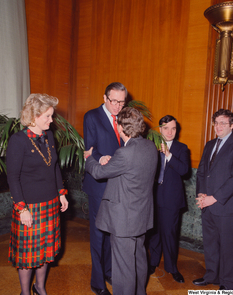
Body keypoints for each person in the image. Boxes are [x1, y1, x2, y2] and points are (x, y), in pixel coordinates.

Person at [85, 107, 158, 295]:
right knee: (139, 260)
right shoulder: (149, 147)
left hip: (124, 220)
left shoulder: (125, 153)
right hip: (141, 216)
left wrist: (89, 158)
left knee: (123, 269)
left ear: (120, 128)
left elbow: (99, 173)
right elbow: (130, 172)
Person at [6, 93, 69, 295]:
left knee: (46, 251)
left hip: (50, 204)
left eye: (52, 115)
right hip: (29, 207)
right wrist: (22, 208)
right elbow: (13, 178)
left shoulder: (48, 135)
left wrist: (61, 193)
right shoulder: (18, 141)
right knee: (27, 256)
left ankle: (39, 287)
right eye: (48, 116)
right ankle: (25, 292)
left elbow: (55, 167)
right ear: (34, 116)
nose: (52, 120)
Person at [194, 109, 233, 290]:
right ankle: (212, 275)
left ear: (232, 126)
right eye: (216, 123)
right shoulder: (210, 144)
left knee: (228, 247)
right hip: (207, 205)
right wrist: (202, 194)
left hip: (227, 207)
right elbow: (202, 172)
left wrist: (214, 198)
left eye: (223, 123)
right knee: (210, 244)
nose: (218, 127)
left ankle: (229, 283)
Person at [83, 82, 127, 295]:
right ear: (104, 98)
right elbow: (89, 149)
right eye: (114, 101)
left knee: (112, 232)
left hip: (119, 185)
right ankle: (97, 282)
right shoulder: (92, 116)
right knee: (99, 234)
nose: (118, 106)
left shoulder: (124, 117)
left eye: (121, 101)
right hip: (99, 185)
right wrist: (102, 158)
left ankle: (109, 271)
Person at [148, 115, 189, 283]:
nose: (170, 132)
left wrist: (169, 154)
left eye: (173, 128)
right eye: (166, 128)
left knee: (170, 235)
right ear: (160, 129)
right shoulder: (151, 146)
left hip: (171, 199)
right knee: (153, 233)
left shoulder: (181, 148)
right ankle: (152, 262)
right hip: (152, 196)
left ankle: (172, 268)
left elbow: (185, 170)